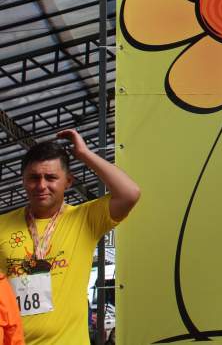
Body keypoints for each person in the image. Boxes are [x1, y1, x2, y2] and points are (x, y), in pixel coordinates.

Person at [0, 129, 141, 344]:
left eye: (51, 178)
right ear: (23, 180)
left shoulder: (84, 219)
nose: (41, 185)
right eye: (34, 178)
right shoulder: (2, 225)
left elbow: (129, 193)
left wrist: (84, 153)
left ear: (68, 181)